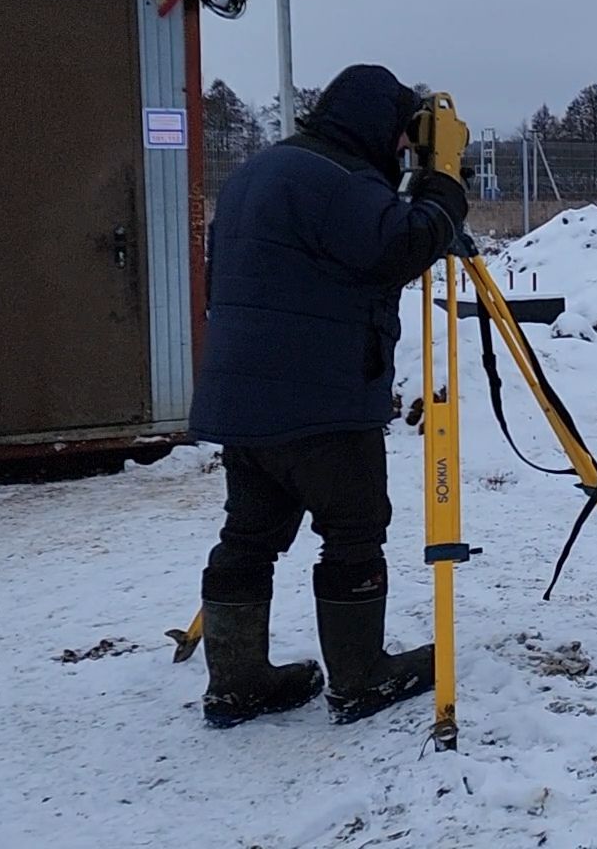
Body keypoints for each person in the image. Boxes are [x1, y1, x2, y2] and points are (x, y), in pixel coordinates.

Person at [187, 64, 470, 728]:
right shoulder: (338, 181)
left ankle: (237, 682)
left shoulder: (259, 172)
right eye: (404, 134)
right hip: (321, 403)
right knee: (353, 530)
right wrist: (443, 192)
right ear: (377, 122)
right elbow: (397, 247)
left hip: (243, 401)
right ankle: (361, 676)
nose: (405, 146)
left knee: (248, 536)